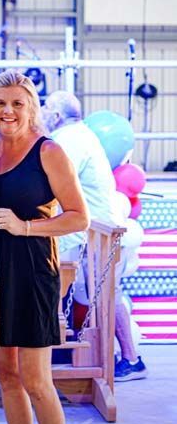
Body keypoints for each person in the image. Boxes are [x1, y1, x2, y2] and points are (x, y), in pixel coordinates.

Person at [0, 69, 89, 424]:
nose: (8, 111)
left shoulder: (48, 151)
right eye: (0, 103)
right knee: (6, 375)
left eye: (17, 103)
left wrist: (26, 226)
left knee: (36, 380)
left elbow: (78, 216)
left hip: (32, 272)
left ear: (31, 108)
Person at [43, 90, 148, 382]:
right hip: (94, 230)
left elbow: (56, 182)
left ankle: (131, 360)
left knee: (107, 297)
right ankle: (127, 359)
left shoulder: (69, 140)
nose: (42, 112)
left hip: (98, 232)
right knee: (104, 297)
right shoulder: (80, 135)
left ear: (56, 115)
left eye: (46, 107)